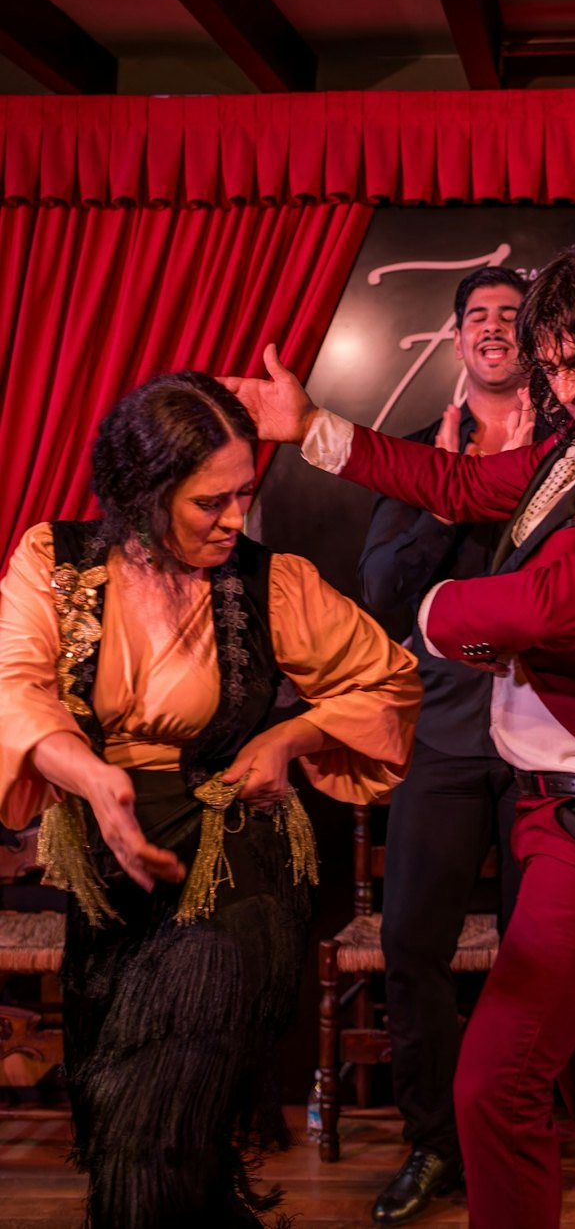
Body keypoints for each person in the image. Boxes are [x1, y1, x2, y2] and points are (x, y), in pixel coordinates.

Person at [228, 237, 575, 1229]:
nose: (572, 383)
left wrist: (431, 621)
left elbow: (559, 602)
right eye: (556, 363)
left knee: (496, 1085)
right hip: (564, 798)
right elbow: (466, 488)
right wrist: (313, 430)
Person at [0, 373, 419, 1228]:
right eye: (209, 502)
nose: (234, 519)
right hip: (111, 883)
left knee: (155, 1122)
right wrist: (92, 781)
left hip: (235, 869)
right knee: (129, 1122)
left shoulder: (274, 583)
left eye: (244, 495)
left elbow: (389, 680)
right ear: (141, 493)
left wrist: (285, 738)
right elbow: (14, 684)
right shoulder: (55, 560)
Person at [359, 265, 532, 1225]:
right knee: (409, 945)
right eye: (481, 317)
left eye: (514, 316)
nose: (497, 329)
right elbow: (382, 590)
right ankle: (432, 1145)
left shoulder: (573, 452)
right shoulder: (418, 453)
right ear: (455, 337)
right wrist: (447, 494)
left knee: (539, 954)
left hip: (551, 741)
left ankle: (518, 1130)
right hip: (446, 739)